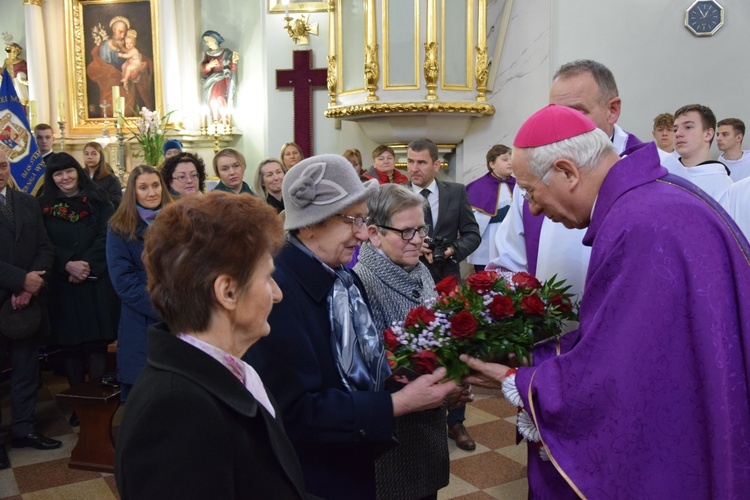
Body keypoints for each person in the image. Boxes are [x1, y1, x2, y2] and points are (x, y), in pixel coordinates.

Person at [462, 104, 750, 498]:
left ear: (567, 172)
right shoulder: (649, 202)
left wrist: (519, 381)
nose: (531, 208)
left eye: (530, 191)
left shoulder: (638, 224)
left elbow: (620, 375)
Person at [244, 155, 457, 500]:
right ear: (310, 224)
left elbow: (360, 371)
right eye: (352, 220)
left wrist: (423, 380)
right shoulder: (277, 291)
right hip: (316, 477)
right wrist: (397, 404)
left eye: (363, 219)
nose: (362, 233)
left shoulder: (341, 279)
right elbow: (296, 412)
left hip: (353, 461)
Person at [115, 192, 308, 499]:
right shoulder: (176, 411)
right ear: (228, 292)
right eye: (268, 277)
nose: (277, 294)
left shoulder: (234, 369)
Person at [491, 59, 642, 301]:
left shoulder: (650, 170)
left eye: (577, 111)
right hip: (550, 333)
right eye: (556, 112)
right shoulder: (535, 172)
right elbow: (510, 261)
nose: (564, 123)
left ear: (612, 110)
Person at [354, 183, 462, 499]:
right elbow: (376, 372)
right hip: (395, 440)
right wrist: (444, 386)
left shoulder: (417, 269)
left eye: (421, 229)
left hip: (426, 426)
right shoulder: (364, 284)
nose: (418, 240)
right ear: (374, 234)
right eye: (406, 232)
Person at [406, 138, 480, 452]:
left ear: (437, 165)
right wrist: (410, 247)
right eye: (409, 162)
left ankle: (456, 420)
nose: (414, 168)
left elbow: (473, 233)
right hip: (409, 283)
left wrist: (452, 250)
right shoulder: (396, 194)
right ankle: (417, 415)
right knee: (417, 349)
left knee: (455, 349)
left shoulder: (456, 192)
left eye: (421, 162)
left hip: (447, 281)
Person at [38, 153, 120, 426]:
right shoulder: (43, 205)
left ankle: (96, 401)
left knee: (96, 344)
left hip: (94, 281)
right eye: (58, 174)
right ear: (51, 178)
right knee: (71, 347)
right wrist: (67, 265)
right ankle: (78, 404)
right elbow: (43, 242)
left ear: (78, 171)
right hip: (64, 284)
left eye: (69, 171)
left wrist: (86, 265)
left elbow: (106, 235)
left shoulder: (98, 199)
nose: (65, 178)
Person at [0, 150, 61, 470]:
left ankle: (24, 428)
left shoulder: (25, 202)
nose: (0, 170)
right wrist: (19, 280)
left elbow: (45, 246)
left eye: (2, 164)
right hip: (3, 298)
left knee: (27, 370)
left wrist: (30, 284)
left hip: (28, 304)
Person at [106, 165, 173, 401]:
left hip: (183, 317)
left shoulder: (179, 219)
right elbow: (124, 283)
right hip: (144, 317)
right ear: (132, 192)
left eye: (155, 185)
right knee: (146, 397)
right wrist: (167, 310)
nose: (152, 193)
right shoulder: (120, 228)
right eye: (143, 188)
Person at [87, 16, 154, 115]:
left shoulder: (127, 45)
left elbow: (138, 58)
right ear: (114, 30)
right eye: (120, 32)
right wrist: (116, 75)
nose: (122, 36)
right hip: (111, 89)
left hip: (127, 88)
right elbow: (102, 69)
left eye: (125, 33)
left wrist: (140, 67)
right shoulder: (105, 48)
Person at [466, 144, 515, 272]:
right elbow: (470, 220)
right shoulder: (478, 187)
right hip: (488, 241)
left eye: (511, 158)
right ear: (492, 163)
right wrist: (500, 214)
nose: (510, 162)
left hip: (512, 241)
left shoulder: (520, 184)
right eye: (505, 159)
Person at [673, 103, 733, 201]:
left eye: (688, 127)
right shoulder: (666, 175)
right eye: (675, 129)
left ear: (708, 134)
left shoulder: (723, 185)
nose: (678, 134)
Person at [201, 30, 239, 120]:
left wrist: (234, 61)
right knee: (211, 99)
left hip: (222, 79)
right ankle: (214, 118)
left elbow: (231, 69)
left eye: (207, 40)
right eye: (205, 41)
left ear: (214, 39)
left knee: (219, 97)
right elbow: (203, 68)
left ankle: (222, 118)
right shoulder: (207, 54)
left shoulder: (226, 53)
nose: (206, 43)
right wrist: (208, 65)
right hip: (210, 81)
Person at [82, 141, 123, 207]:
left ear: (101, 156)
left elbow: (117, 200)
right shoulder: (80, 175)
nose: (89, 157)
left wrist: (99, 194)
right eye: (86, 154)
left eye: (94, 154)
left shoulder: (111, 178)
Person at [717, 117, 750, 182]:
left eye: (724, 134)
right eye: (718, 134)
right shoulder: (717, 166)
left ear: (738, 138)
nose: (718, 138)